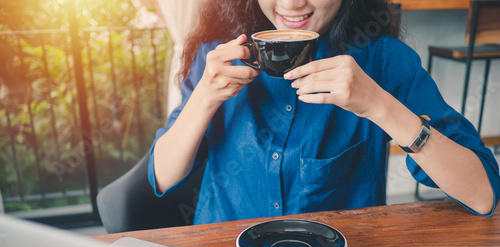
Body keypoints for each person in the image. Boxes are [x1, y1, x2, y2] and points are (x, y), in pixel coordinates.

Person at [148, 0, 500, 225]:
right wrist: (204, 98)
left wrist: (380, 105)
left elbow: (482, 194)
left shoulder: (383, 59)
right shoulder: (219, 55)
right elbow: (162, 176)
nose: (291, 4)